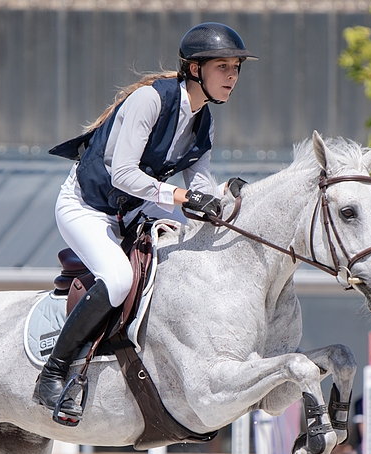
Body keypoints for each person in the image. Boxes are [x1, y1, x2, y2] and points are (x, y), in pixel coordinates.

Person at [33, 23, 257, 423]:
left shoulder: (203, 123)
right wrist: (182, 198)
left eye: (236, 68)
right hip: (85, 206)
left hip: (133, 211)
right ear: (194, 69)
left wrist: (226, 198)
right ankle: (53, 371)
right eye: (223, 67)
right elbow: (123, 174)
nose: (232, 77)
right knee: (118, 279)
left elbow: (199, 190)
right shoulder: (149, 101)